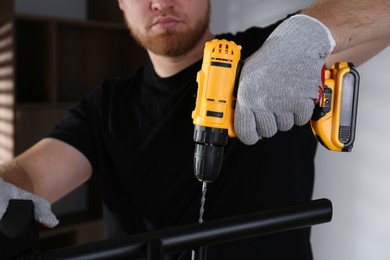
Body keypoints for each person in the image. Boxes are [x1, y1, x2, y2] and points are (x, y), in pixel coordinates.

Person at [1, 0, 389, 259]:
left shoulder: (277, 54)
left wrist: (312, 33)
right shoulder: (106, 107)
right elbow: (29, 175)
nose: (161, 2)